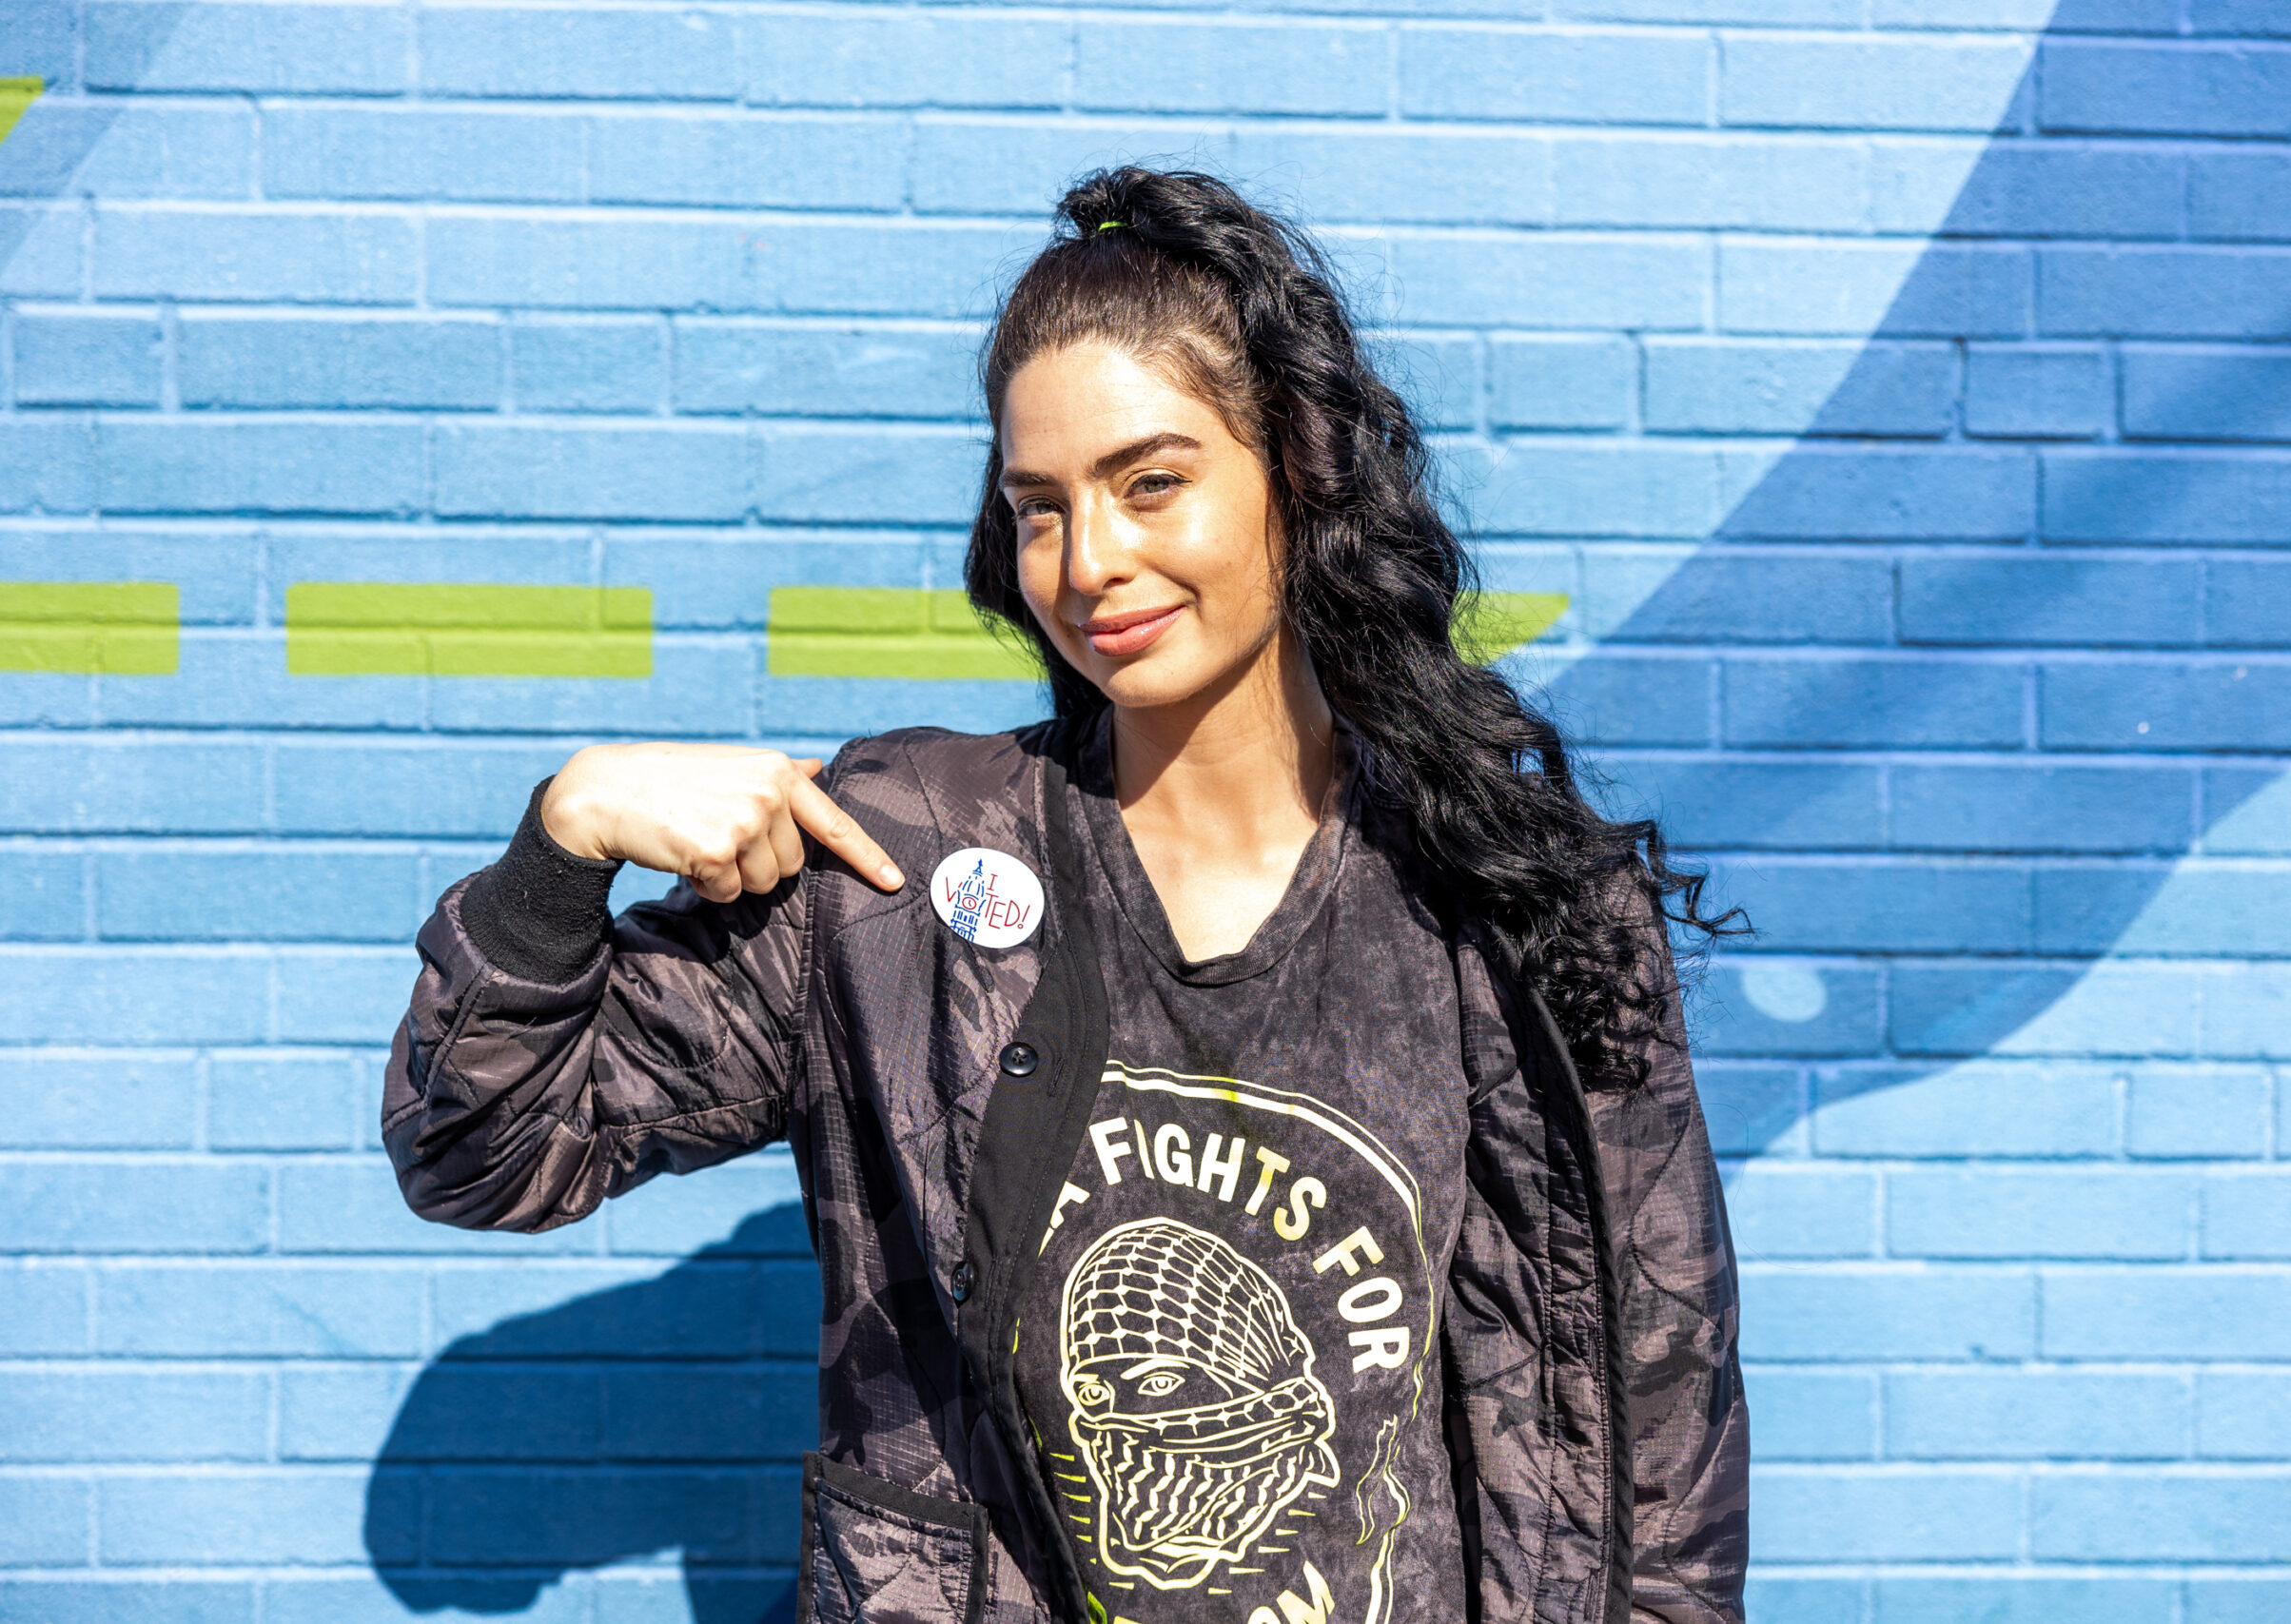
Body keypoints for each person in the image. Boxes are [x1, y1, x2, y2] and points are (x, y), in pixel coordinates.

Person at [384, 166, 1748, 1624]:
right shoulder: (899, 877)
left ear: (1298, 467)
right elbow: (484, 1151)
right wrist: (564, 841)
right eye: (1042, 508)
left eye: (1151, 482)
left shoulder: (1511, 903)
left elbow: (1655, 1451)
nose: (1090, 563)